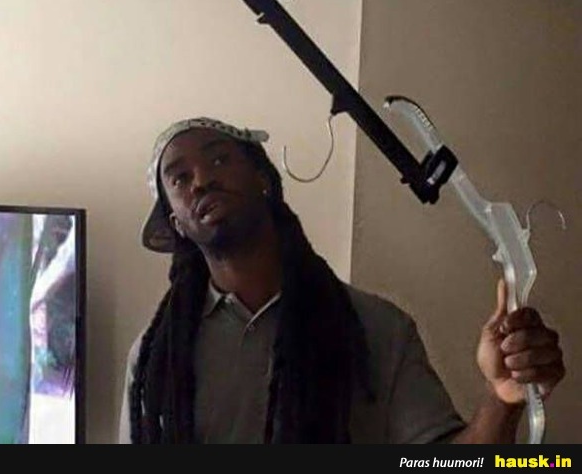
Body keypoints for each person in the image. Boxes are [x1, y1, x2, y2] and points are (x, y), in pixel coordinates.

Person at [119, 117, 565, 444]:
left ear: (262, 180)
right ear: (176, 225)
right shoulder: (155, 358)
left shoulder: (378, 329)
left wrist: (502, 398)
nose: (201, 180)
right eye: (180, 178)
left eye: (219, 158)